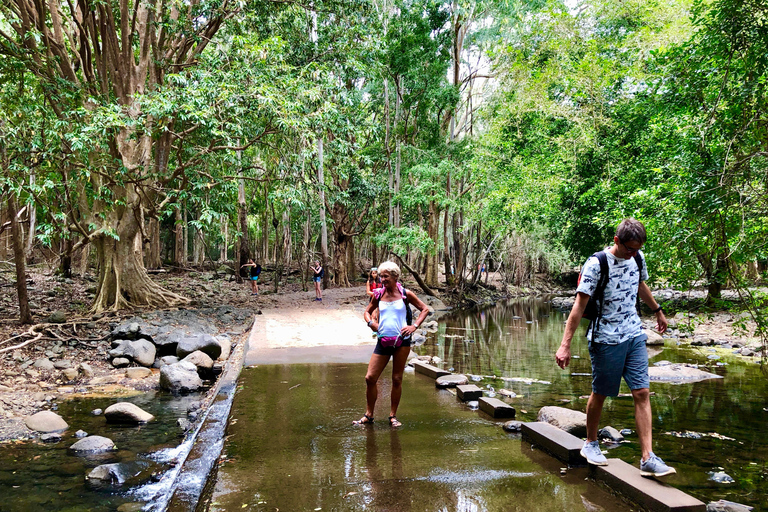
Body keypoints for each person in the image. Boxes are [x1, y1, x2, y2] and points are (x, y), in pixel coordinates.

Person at [555, 218, 674, 477]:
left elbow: (640, 284)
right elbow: (579, 305)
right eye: (629, 249)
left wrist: (657, 310)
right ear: (616, 240)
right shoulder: (596, 264)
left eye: (637, 249)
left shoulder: (638, 258)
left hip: (634, 334)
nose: (633, 254)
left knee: (642, 392)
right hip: (605, 338)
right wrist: (565, 345)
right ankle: (591, 443)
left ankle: (647, 458)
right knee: (601, 393)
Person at [354, 261, 429, 428]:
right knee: (370, 378)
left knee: (396, 379)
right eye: (381, 276)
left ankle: (393, 416)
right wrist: (371, 324)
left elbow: (425, 309)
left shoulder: (405, 294)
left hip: (402, 342)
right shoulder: (378, 294)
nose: (382, 279)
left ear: (395, 277)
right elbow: (366, 312)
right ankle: (369, 415)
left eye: (385, 276)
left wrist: (414, 326)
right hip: (383, 340)